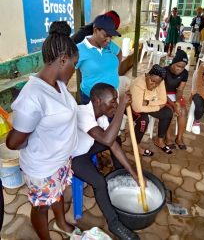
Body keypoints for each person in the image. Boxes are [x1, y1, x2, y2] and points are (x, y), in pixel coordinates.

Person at [6, 21, 79, 240]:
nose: (74, 70)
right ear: (63, 60)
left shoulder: (59, 84)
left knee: (57, 195)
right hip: (42, 167)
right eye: (74, 64)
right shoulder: (33, 96)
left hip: (59, 160)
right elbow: (13, 143)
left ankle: (61, 223)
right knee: (41, 207)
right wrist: (26, 132)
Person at [72, 83, 140, 240]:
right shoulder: (82, 113)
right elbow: (104, 139)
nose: (115, 104)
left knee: (115, 139)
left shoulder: (101, 116)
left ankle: (119, 175)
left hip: (89, 146)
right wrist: (122, 107)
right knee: (99, 182)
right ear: (97, 101)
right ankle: (114, 224)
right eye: (113, 101)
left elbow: (112, 144)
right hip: (75, 157)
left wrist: (133, 173)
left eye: (117, 100)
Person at [76, 14, 122, 104]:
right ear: (96, 30)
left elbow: (119, 52)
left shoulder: (109, 45)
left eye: (111, 36)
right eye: (105, 35)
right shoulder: (79, 50)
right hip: (92, 100)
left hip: (112, 96)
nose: (109, 40)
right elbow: (64, 71)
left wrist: (115, 72)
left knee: (112, 118)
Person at [130, 64, 173, 156]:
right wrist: (158, 106)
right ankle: (136, 146)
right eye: (152, 81)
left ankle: (159, 140)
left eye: (157, 83)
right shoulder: (138, 83)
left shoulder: (160, 81)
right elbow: (137, 107)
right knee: (143, 121)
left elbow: (163, 100)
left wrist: (148, 103)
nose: (154, 85)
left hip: (147, 103)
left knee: (168, 113)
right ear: (147, 75)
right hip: (131, 105)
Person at [164, 50, 189, 150]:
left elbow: (180, 90)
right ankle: (168, 137)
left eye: (182, 67)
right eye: (178, 65)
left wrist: (178, 102)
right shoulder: (164, 71)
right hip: (163, 94)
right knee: (169, 111)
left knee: (183, 111)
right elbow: (160, 92)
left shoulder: (185, 73)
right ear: (173, 63)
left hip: (175, 94)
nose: (180, 69)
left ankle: (179, 138)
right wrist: (174, 105)